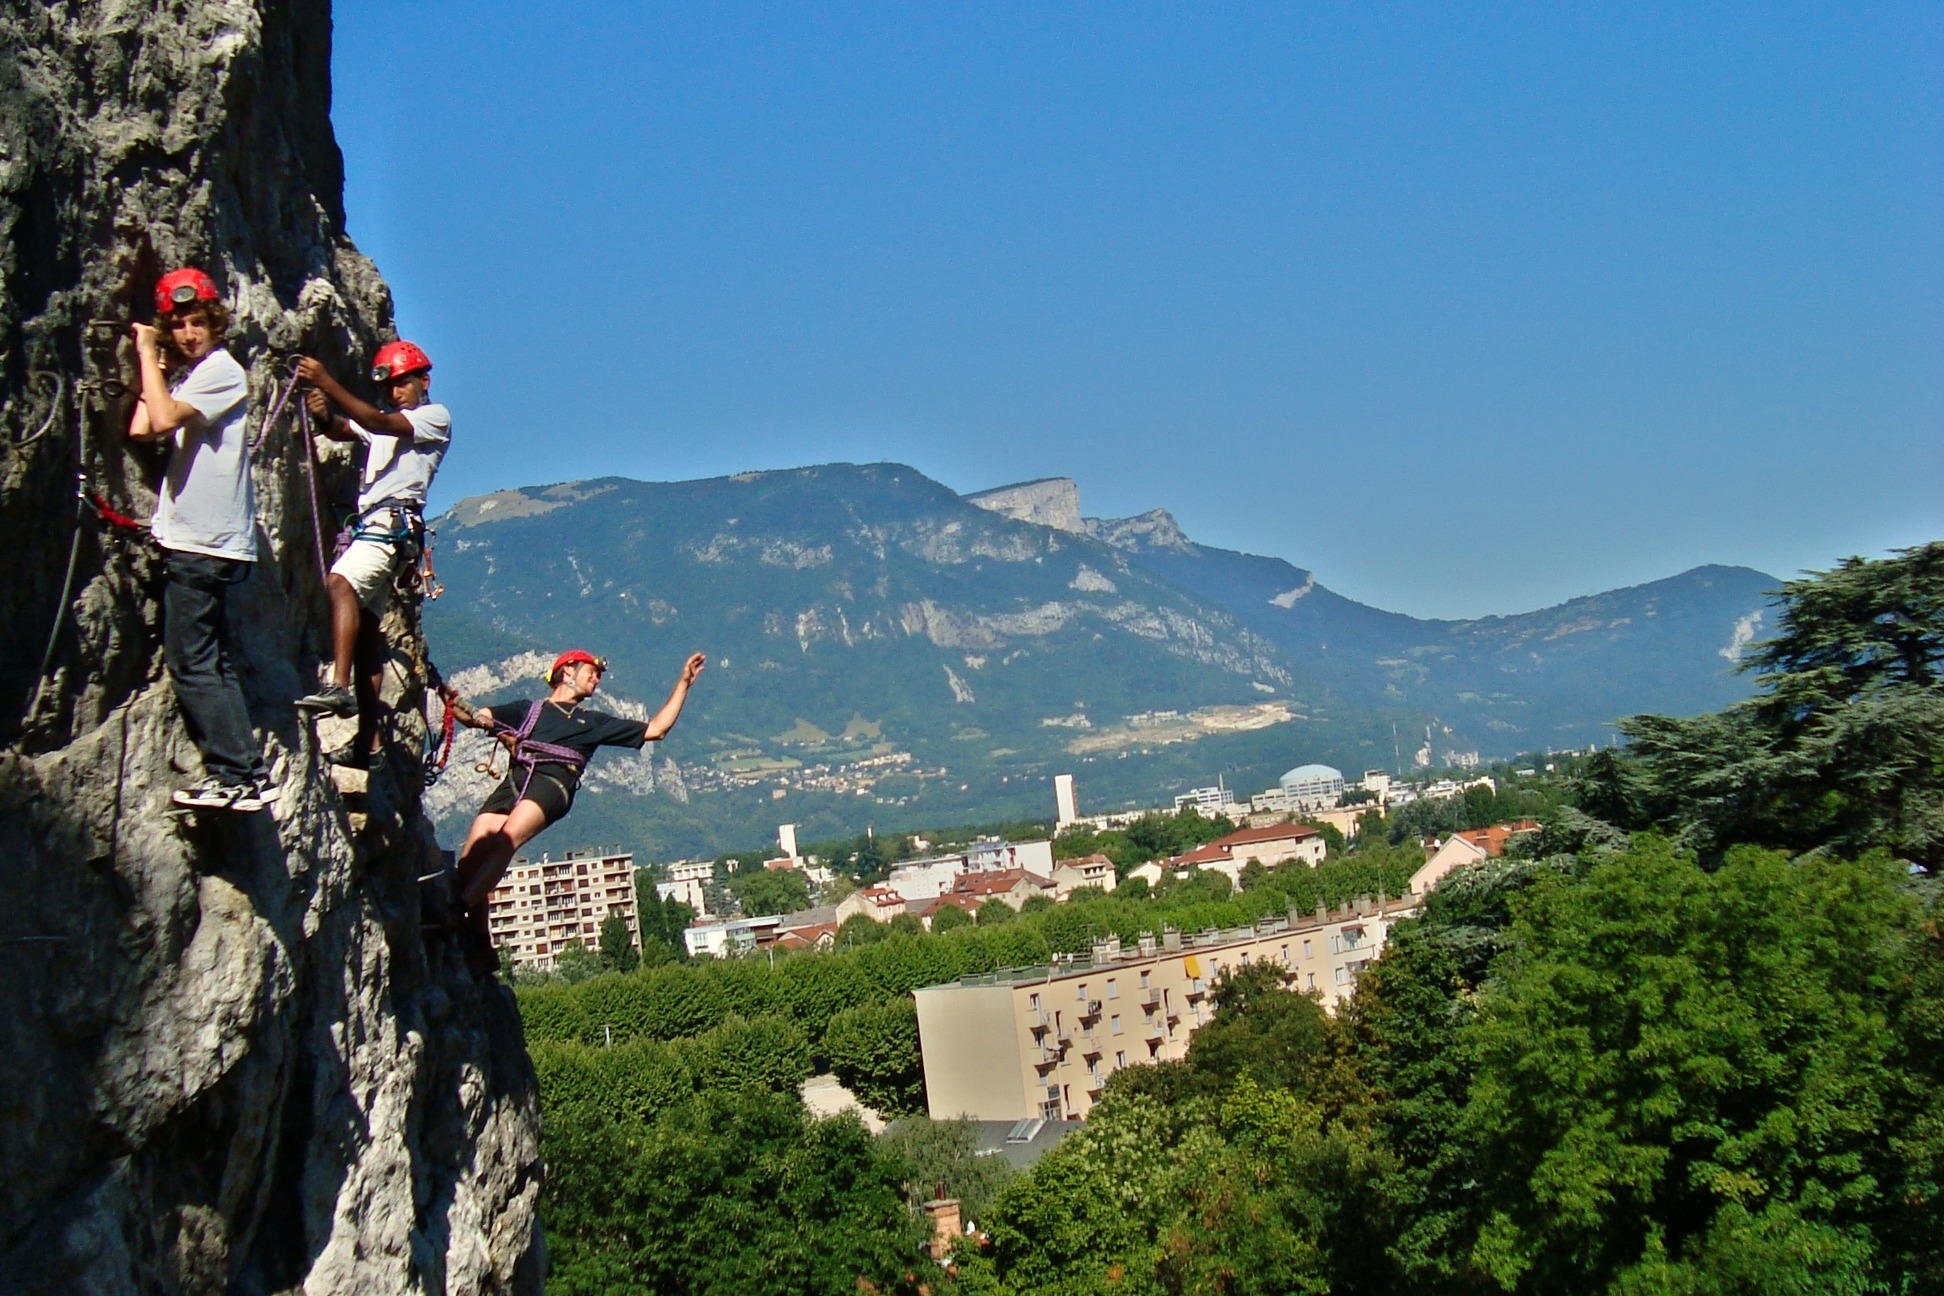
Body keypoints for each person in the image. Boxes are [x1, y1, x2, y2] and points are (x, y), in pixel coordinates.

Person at [451, 649, 706, 972]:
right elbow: (474, 717)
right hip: (517, 781)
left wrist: (684, 683)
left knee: (505, 840)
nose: (597, 679)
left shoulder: (591, 722)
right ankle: (478, 942)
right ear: (567, 671)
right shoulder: (527, 710)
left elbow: (656, 729)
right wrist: (455, 702)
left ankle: (456, 909)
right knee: (470, 860)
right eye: (592, 672)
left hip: (553, 782)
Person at [127, 267, 277, 812]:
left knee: (192, 662)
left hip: (203, 543)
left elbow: (161, 421)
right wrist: (160, 369)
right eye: (179, 325)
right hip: (205, 542)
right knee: (211, 661)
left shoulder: (221, 371)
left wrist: (147, 354)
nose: (190, 332)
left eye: (198, 322)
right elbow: (142, 426)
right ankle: (245, 771)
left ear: (216, 323)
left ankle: (236, 773)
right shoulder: (198, 376)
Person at [291, 341, 451, 768]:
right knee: (365, 637)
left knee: (339, 583)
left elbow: (374, 421)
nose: (397, 391)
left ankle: (339, 686)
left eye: (404, 382)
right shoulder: (388, 424)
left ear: (423, 381)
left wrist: (327, 380)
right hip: (382, 527)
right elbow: (346, 428)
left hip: (387, 526)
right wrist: (322, 410)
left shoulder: (433, 419)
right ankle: (370, 742)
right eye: (392, 385)